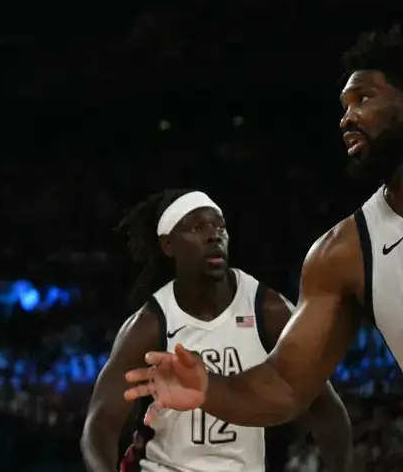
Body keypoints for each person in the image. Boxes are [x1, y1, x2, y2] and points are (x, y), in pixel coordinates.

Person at [124, 27, 403, 430]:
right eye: (344, 106)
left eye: (364, 99)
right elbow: (286, 385)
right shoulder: (345, 253)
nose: (347, 118)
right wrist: (209, 388)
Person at [81, 190, 350, 472]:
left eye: (220, 227)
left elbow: (327, 409)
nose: (214, 236)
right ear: (168, 244)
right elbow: (100, 424)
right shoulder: (150, 324)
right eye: (198, 228)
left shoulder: (268, 310)